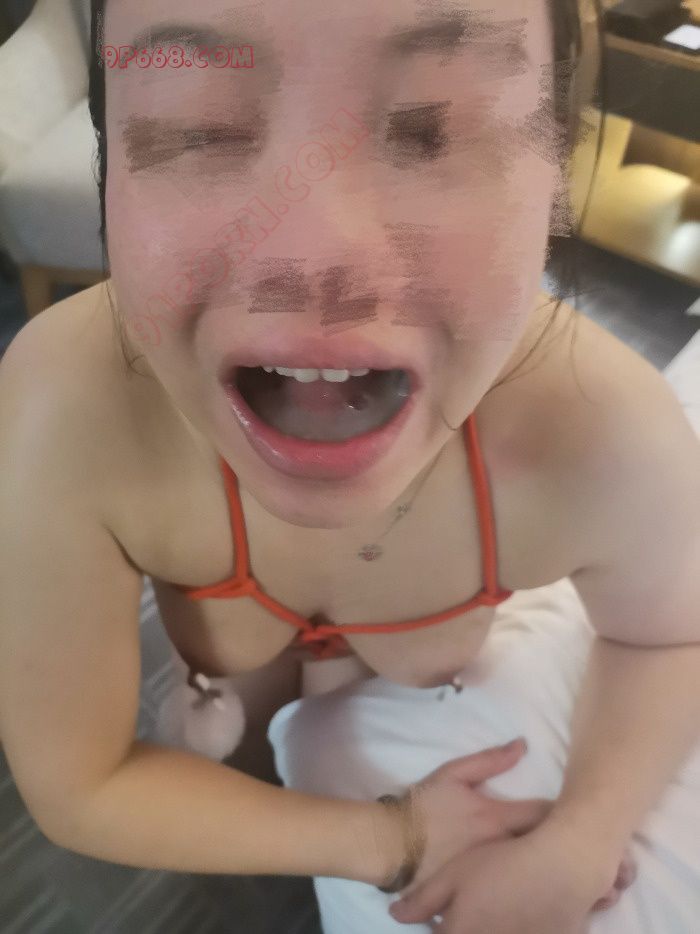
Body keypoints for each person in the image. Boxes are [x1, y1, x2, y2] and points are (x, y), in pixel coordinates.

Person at [1, 0, 699, 932]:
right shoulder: (64, 406)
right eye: (198, 127)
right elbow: (82, 784)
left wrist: (582, 840)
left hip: (404, 670)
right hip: (239, 677)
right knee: (242, 751)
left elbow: (671, 636)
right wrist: (393, 839)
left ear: (557, 167)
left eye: (433, 129)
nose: (314, 256)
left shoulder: (609, 432)